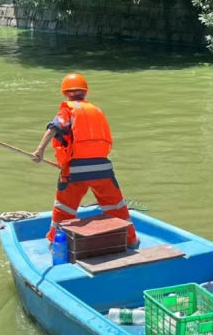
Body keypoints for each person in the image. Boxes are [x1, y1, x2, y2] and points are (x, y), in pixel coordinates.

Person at [32, 73, 138, 248]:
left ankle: (56, 243)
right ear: (85, 92)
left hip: (75, 171)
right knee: (116, 206)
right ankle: (130, 240)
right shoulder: (96, 110)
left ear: (66, 93)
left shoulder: (67, 109)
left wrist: (39, 150)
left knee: (64, 209)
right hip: (102, 168)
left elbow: (54, 128)